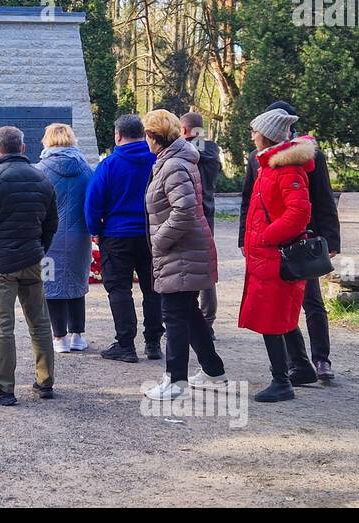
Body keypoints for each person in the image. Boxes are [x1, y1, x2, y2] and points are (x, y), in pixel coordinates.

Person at [238, 100, 341, 383]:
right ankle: (298, 363)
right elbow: (250, 200)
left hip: (301, 244)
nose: (252, 135)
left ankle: (321, 359)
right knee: (279, 305)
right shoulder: (256, 158)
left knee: (311, 302)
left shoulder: (303, 158)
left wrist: (330, 238)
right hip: (272, 247)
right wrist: (246, 240)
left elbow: (321, 198)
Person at [141, 109, 228, 401]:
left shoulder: (173, 165)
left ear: (153, 136)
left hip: (179, 249)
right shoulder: (174, 160)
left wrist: (158, 240)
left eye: (147, 134)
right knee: (188, 312)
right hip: (182, 249)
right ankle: (213, 370)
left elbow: (185, 210)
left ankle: (175, 380)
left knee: (174, 315)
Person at [0, 126, 59, 406]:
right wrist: (39, 247)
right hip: (32, 259)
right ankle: (45, 381)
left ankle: (4, 386)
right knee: (40, 322)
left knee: (1, 326)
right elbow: (51, 222)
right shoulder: (41, 177)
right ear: (22, 148)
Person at [238, 109, 316, 402]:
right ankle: (303, 367)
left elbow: (299, 213)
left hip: (274, 254)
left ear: (267, 134)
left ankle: (281, 381)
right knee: (281, 312)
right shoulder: (270, 165)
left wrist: (265, 238)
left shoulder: (286, 169)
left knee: (272, 315)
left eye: (255, 131)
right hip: (268, 255)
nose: (252, 135)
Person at [83, 114, 162, 363]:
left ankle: (126, 344)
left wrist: (94, 228)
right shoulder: (157, 159)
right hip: (151, 234)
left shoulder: (110, 164)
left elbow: (93, 202)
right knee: (153, 289)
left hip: (117, 234)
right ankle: (153, 342)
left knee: (119, 289)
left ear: (118, 135)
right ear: (144, 134)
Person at [35, 123, 94, 354]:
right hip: (80, 236)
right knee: (77, 283)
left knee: (51, 286)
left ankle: (59, 338)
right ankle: (77, 335)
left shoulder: (39, 169)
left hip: (50, 238)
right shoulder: (87, 169)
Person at [181, 112, 221, 338]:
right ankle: (207, 321)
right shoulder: (212, 150)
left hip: (189, 211)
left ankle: (191, 319)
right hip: (209, 212)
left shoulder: (184, 152)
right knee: (206, 267)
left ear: (184, 131)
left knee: (185, 265)